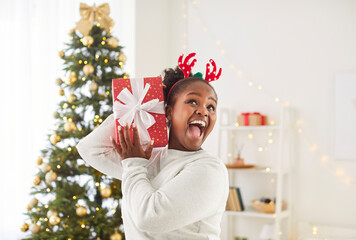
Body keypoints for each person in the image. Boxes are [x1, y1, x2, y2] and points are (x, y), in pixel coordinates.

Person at [76, 54, 229, 240]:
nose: (204, 111)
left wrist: (133, 163)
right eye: (192, 101)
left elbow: (150, 218)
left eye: (211, 107)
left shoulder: (209, 169)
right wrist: (139, 105)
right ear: (168, 111)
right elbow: (90, 149)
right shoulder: (149, 158)